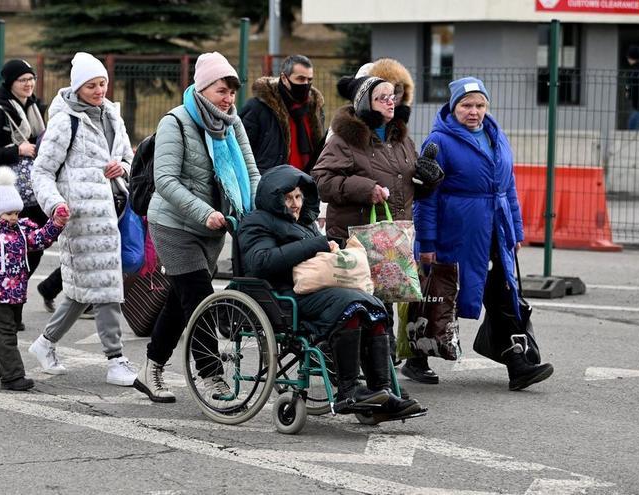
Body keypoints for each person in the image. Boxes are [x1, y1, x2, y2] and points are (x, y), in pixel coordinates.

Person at [238, 165, 424, 420]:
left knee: (373, 305)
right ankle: (348, 390)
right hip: (283, 295)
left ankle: (382, 390)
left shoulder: (305, 223)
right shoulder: (257, 222)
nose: (295, 204)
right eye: (288, 197)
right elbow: (260, 262)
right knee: (352, 304)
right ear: (274, 198)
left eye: (299, 197)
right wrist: (314, 244)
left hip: (317, 290)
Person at [133, 51, 260, 403]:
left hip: (214, 228)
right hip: (173, 223)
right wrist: (204, 211)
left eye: (233, 91)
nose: (229, 98)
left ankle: (151, 368)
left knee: (179, 299)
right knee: (199, 298)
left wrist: (262, 206)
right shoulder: (176, 122)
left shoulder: (232, 123)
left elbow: (250, 172)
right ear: (203, 88)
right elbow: (165, 180)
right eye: (222, 90)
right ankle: (212, 377)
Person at [414, 77, 554, 391]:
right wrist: (426, 242)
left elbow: (509, 187)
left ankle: (517, 365)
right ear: (453, 107)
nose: (474, 112)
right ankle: (416, 357)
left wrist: (515, 230)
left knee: (502, 294)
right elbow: (426, 199)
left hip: (494, 230)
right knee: (440, 297)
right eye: (466, 105)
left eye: (479, 105)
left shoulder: (496, 135)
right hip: (456, 233)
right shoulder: (439, 142)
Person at [312, 70, 442, 382]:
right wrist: (363, 189)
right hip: (354, 239)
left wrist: (428, 181)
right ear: (365, 103)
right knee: (359, 307)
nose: (390, 102)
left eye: (392, 96)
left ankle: (381, 379)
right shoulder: (345, 139)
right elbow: (321, 180)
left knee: (382, 306)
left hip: (392, 240)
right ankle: (349, 370)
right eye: (381, 97)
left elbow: (409, 186)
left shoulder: (401, 139)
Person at [29, 52, 138, 386]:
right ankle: (115, 360)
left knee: (81, 293)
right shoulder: (66, 122)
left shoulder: (114, 118)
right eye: (91, 85)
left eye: (102, 83)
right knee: (106, 290)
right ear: (77, 88)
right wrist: (56, 205)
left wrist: (123, 168)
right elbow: (41, 171)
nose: (99, 90)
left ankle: (44, 343)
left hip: (113, 215)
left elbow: (129, 159)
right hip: (80, 220)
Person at [0, 166, 67, 391]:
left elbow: (39, 239)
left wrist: (55, 224)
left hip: (15, 292)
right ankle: (12, 376)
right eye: (8, 214)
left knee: (2, 330)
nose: (13, 218)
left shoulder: (20, 231)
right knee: (5, 332)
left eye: (16, 213)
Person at [0, 59, 51, 283]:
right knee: (8, 250)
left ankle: (16, 287)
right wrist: (17, 150)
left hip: (31, 191)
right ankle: (7, 293)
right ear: (10, 83)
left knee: (36, 245)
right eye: (22, 80)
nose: (28, 84)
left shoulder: (34, 107)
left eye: (31, 79)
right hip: (9, 191)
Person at [240, 54, 326, 174]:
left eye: (309, 80)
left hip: (307, 184)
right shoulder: (258, 108)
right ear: (284, 78)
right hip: (272, 186)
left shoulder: (315, 111)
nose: (306, 84)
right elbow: (242, 154)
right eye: (300, 79)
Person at [625, 46, 639, 130]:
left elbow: (627, 90)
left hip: (637, 107)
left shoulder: (631, 72)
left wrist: (627, 95)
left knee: (632, 130)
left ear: (630, 58)